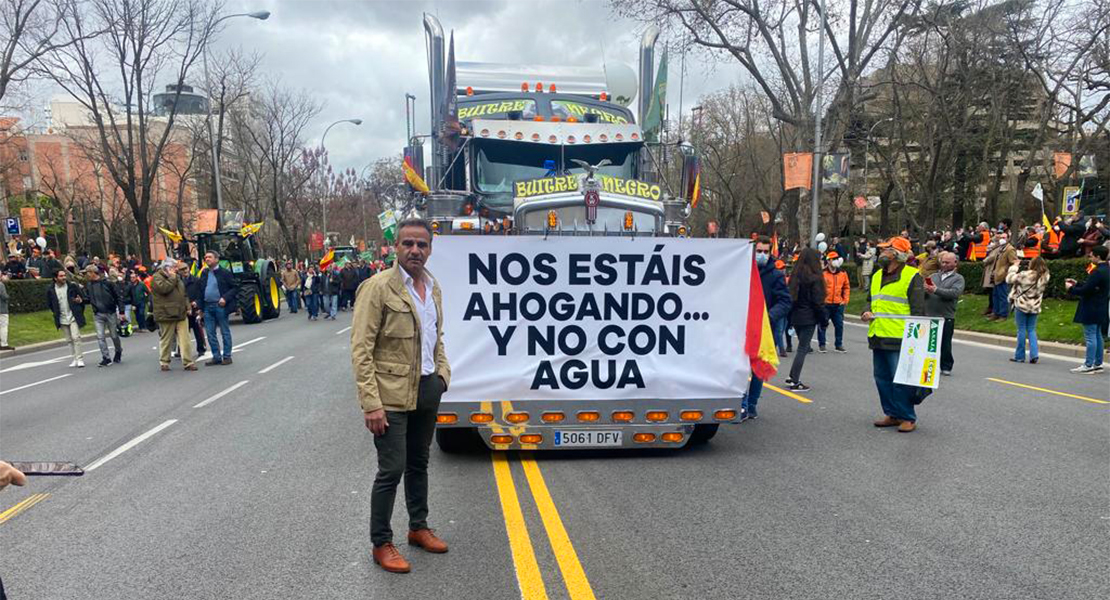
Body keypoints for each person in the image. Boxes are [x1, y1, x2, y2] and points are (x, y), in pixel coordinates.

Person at [351, 218, 452, 574]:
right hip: (390, 397)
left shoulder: (433, 286)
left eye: (422, 245)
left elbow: (437, 339)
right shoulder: (377, 288)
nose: (415, 250)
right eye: (408, 243)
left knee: (419, 464)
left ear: (430, 249)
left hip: (427, 390)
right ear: (396, 247)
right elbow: (361, 349)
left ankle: (418, 527)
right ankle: (381, 543)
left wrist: (442, 376)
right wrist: (371, 403)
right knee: (391, 470)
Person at [861, 236, 926, 433]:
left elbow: (918, 311)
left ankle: (907, 416)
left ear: (898, 254)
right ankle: (892, 413)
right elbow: (870, 299)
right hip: (878, 335)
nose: (882, 252)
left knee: (901, 380)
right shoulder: (877, 275)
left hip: (900, 337)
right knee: (881, 378)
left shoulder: (912, 276)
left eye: (887, 249)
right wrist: (865, 311)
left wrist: (917, 342)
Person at [743, 236, 792, 420]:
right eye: (759, 251)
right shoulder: (743, 270)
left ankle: (751, 405)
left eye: (765, 251)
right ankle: (740, 402)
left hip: (763, 328)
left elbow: (785, 301)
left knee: (758, 369)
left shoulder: (775, 275)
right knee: (740, 367)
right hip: (743, 326)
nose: (762, 255)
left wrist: (769, 316)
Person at [784, 248, 826, 393]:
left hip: (796, 315)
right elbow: (818, 302)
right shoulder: (815, 278)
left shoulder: (795, 277)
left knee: (801, 347)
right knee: (803, 349)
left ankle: (792, 376)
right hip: (809, 316)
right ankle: (795, 380)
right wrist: (823, 320)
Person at [1065, 245, 1109, 374]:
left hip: (1091, 306)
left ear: (1098, 256)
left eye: (1092, 255)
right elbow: (1093, 286)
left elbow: (1087, 290)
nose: (1090, 257)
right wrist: (1078, 283)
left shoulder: (1097, 271)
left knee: (1090, 336)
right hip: (1101, 305)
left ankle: (1088, 364)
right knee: (1098, 335)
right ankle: (1098, 363)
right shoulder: (1106, 269)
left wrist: (1071, 289)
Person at [151, 258, 197, 372]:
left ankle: (188, 362)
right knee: (167, 338)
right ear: (167, 267)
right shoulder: (157, 277)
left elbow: (183, 293)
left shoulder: (177, 277)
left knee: (185, 338)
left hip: (180, 312)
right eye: (174, 267)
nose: (176, 270)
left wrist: (188, 306)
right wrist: (172, 278)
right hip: (166, 313)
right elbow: (164, 289)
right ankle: (164, 361)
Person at [924, 252, 964, 376]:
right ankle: (929, 364)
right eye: (943, 262)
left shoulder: (958, 279)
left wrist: (936, 290)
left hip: (946, 316)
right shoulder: (934, 276)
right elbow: (926, 292)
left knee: (944, 344)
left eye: (947, 262)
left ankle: (946, 366)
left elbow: (954, 293)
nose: (944, 264)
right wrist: (924, 290)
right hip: (930, 315)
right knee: (928, 343)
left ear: (955, 263)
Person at [195, 250, 238, 366]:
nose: (207, 259)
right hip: (207, 307)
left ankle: (227, 356)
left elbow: (234, 288)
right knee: (210, 333)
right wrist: (200, 307)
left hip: (220, 306)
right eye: (205, 258)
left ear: (216, 259)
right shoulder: (204, 273)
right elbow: (200, 291)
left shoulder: (224, 273)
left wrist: (225, 298)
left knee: (224, 331)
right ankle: (216, 356)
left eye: (209, 257)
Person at [1007, 256, 1050, 364]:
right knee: (1032, 330)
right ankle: (1034, 355)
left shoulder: (1025, 275)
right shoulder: (1045, 276)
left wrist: (1014, 267)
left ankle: (1020, 356)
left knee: (1021, 329)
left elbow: (1009, 279)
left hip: (1022, 304)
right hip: (1035, 306)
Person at [45, 268, 88, 368]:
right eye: (61, 276)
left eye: (64, 275)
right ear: (55, 278)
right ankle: (74, 358)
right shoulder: (50, 289)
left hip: (73, 316)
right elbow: (50, 304)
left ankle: (80, 359)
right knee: (69, 339)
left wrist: (80, 301)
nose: (64, 277)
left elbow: (83, 299)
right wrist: (56, 313)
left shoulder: (72, 286)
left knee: (76, 337)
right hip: (62, 317)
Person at [84, 265, 124, 367]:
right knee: (100, 336)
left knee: (114, 335)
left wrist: (121, 311)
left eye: (87, 273)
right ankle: (106, 357)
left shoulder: (108, 283)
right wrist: (82, 300)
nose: (86, 275)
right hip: (98, 314)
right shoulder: (89, 285)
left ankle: (118, 350)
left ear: (93, 273)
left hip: (110, 312)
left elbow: (118, 297)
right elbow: (88, 298)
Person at [817, 251, 849, 353]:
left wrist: (845, 300)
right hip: (825, 304)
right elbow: (818, 288)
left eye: (836, 258)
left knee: (839, 325)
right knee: (823, 324)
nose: (835, 260)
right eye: (833, 259)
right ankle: (822, 344)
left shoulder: (842, 273)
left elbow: (846, 287)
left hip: (838, 304)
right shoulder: (823, 273)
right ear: (828, 261)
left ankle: (838, 344)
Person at [989, 233, 1019, 320]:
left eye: (1004, 237)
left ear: (1008, 239)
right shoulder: (1000, 249)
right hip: (996, 275)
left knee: (1002, 296)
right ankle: (996, 312)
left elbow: (1014, 261)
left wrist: (1007, 272)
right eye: (1001, 237)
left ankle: (1003, 314)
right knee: (995, 295)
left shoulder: (1010, 249)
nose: (1002, 239)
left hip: (1003, 275)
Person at [0, 274, 11, 350]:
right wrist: (8, 297)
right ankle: (4, 344)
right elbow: (4, 296)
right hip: (2, 309)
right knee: (3, 326)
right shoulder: (1, 285)